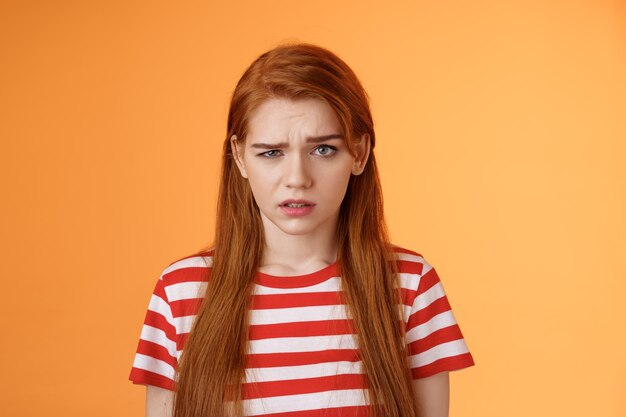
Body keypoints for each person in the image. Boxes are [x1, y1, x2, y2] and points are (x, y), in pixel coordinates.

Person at [129, 42, 475, 417]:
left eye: (322, 149)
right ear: (240, 157)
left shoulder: (409, 285)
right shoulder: (181, 292)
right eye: (271, 152)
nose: (297, 179)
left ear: (358, 153)